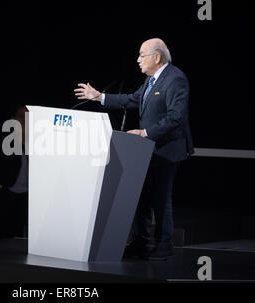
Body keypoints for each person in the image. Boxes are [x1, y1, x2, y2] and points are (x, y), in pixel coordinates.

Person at [74, 38, 194, 260]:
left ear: (156, 57)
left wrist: (146, 133)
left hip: (166, 150)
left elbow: (176, 117)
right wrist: (100, 97)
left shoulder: (175, 79)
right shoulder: (151, 81)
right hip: (146, 151)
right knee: (142, 197)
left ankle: (164, 245)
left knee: (160, 198)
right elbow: (132, 100)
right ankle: (140, 242)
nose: (137, 60)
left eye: (142, 55)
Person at [0, 104, 29, 239]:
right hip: (6, 194)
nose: (24, 120)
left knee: (19, 235)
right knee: (2, 234)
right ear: (13, 119)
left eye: (27, 117)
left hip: (26, 197)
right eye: (21, 116)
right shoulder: (4, 140)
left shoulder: (36, 143)